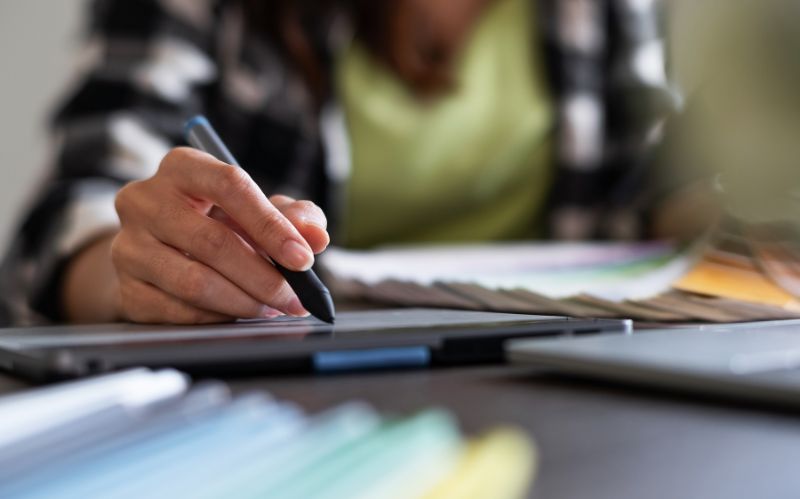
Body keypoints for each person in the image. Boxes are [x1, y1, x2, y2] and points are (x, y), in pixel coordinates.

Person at [0, 0, 698, 326]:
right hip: (292, 384)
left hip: (557, 359)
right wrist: (131, 273)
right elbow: (77, 206)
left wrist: (735, 208)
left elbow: (648, 185)